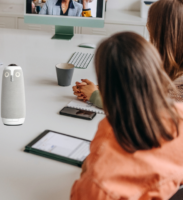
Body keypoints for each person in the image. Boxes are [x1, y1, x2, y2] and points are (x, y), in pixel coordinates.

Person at [71, 32, 183, 200]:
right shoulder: (179, 116)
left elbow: (83, 195)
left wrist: (88, 166)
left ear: (107, 87)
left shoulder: (102, 172)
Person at [73, 0, 183, 107]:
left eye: (151, 22)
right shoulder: (165, 61)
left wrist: (95, 95)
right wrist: (101, 89)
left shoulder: (179, 87)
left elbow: (143, 110)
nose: (147, 26)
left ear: (164, 33)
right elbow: (141, 90)